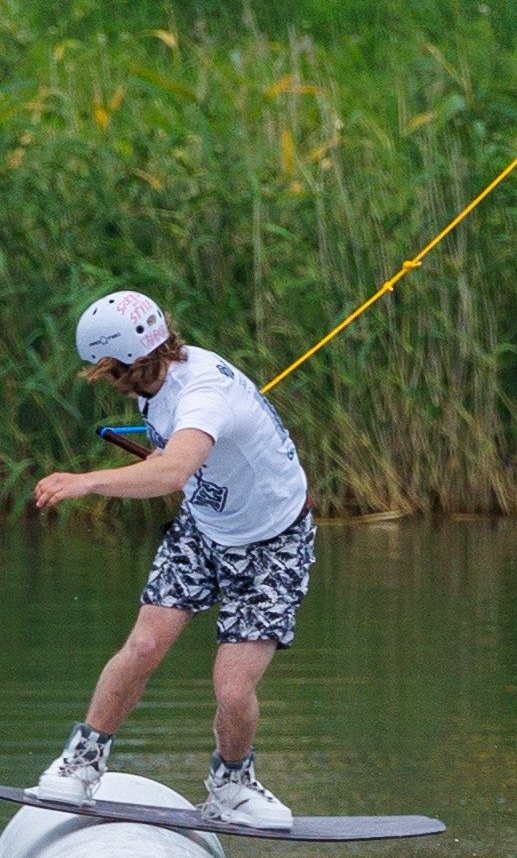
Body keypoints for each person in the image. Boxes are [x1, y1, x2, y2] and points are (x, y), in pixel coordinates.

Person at [29, 290, 313, 830]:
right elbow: (175, 457)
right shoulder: (156, 382)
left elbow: (172, 473)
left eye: (108, 373)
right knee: (143, 645)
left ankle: (233, 785)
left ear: (130, 363)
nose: (108, 384)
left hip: (274, 544)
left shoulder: (202, 392)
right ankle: (81, 764)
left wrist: (85, 481)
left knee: (232, 688)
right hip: (203, 530)